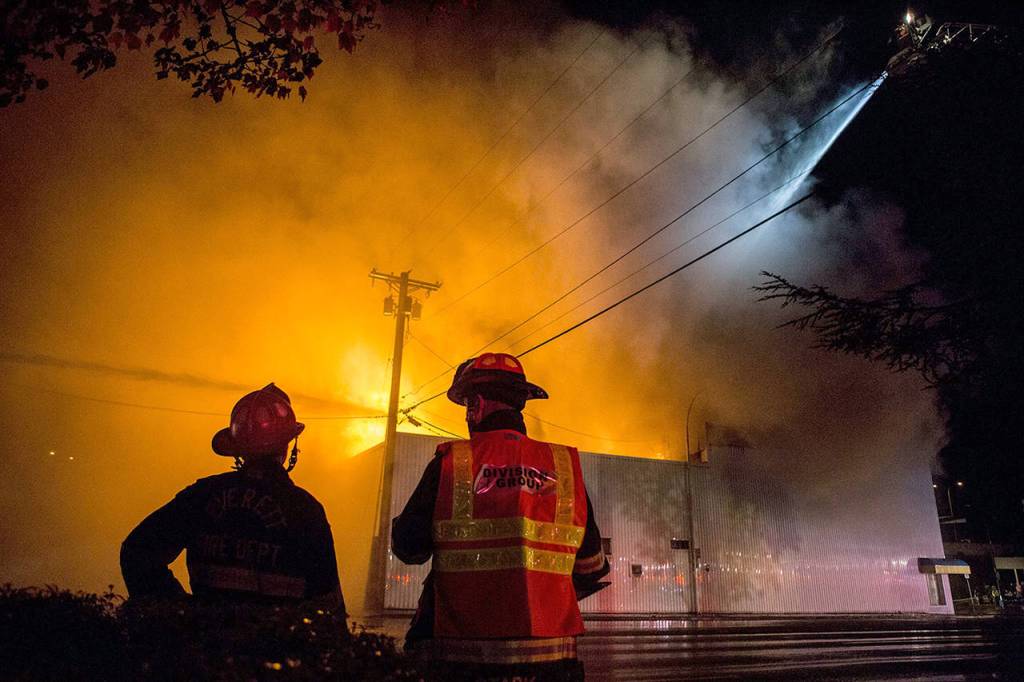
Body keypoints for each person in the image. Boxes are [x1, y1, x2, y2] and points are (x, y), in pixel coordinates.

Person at [392, 353, 609, 681]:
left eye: (467, 405)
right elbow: (591, 566)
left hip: (462, 664)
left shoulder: (453, 463)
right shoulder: (562, 466)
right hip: (553, 666)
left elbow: (409, 548)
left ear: (476, 405)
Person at [120, 383, 344, 610]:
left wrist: (182, 613)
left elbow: (137, 552)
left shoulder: (201, 497)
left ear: (238, 448)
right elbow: (328, 606)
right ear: (288, 446)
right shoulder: (305, 510)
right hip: (274, 645)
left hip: (206, 644)